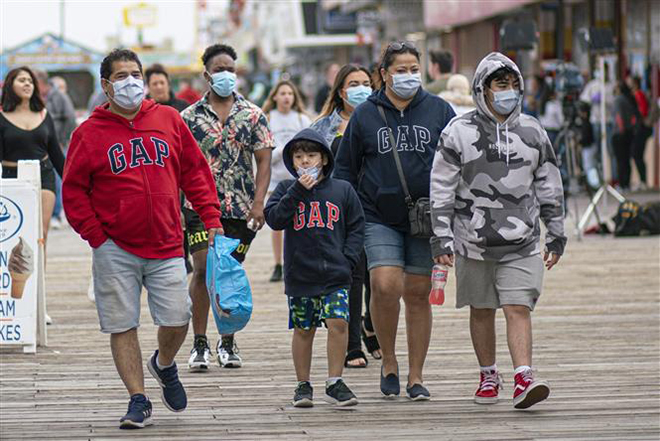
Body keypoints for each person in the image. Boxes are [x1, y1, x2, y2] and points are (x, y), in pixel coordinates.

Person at [62, 49, 223, 429]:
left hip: (167, 241)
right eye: (122, 76)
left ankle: (163, 364)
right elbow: (73, 191)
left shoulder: (167, 119)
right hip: (114, 246)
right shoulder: (88, 132)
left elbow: (195, 172)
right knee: (122, 324)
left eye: (136, 74)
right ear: (106, 85)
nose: (131, 82)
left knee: (179, 317)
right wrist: (96, 236)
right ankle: (138, 398)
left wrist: (210, 213)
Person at [430, 52, 566, 410]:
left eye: (512, 85)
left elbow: (550, 183)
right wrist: (440, 235)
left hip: (522, 240)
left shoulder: (533, 131)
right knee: (482, 308)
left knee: (517, 306)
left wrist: (556, 232)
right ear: (483, 89)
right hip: (471, 240)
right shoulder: (458, 132)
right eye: (499, 84)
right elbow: (441, 187)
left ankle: (524, 375)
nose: (508, 91)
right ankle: (488, 373)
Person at [334, 41, 455, 400]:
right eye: (400, 70)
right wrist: (345, 216)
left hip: (427, 217)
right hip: (376, 215)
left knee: (417, 294)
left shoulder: (439, 110)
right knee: (385, 284)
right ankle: (389, 360)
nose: (408, 76)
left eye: (413, 69)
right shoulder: (365, 115)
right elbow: (345, 169)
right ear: (383, 75)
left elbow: (456, 163)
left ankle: (416, 376)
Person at [181, 43, 273, 372]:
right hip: (198, 206)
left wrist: (259, 203)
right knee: (204, 269)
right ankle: (200, 343)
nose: (225, 75)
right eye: (219, 69)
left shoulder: (253, 114)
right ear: (206, 74)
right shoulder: (188, 118)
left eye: (230, 69)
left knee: (229, 272)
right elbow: (178, 164)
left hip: (240, 207)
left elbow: (264, 161)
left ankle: (229, 341)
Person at [264, 128, 365, 408]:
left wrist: (349, 259)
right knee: (304, 328)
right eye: (299, 157)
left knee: (338, 323)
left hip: (336, 273)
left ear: (324, 158)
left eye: (311, 155)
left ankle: (335, 381)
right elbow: (274, 219)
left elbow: (357, 226)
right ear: (292, 161)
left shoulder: (342, 189)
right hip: (301, 274)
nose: (305, 161)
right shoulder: (286, 189)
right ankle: (303, 384)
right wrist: (297, 190)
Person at [311, 63, 377, 368]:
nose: (361, 88)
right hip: (338, 213)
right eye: (354, 83)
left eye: (366, 82)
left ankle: (370, 324)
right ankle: (352, 345)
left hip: (378, 208)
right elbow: (307, 167)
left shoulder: (381, 119)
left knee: (380, 279)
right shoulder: (323, 127)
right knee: (352, 276)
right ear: (341, 90)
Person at [1, 67, 65, 258]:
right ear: (10, 85)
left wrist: (75, 183)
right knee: (16, 236)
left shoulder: (44, 115)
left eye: (30, 81)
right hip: (11, 179)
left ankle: (39, 286)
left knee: (40, 235)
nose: (27, 84)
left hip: (43, 176)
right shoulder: (2, 117)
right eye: (22, 80)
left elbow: (56, 154)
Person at [262, 80, 312, 282]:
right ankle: (278, 263)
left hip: (300, 179)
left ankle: (300, 259)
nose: (286, 97)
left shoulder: (301, 119)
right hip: (276, 181)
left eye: (290, 93)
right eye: (282, 93)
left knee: (301, 220)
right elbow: (266, 154)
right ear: (274, 96)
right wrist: (285, 151)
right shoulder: (268, 119)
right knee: (278, 222)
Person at [34, 70, 76, 229]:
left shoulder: (58, 96)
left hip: (58, 144)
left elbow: (70, 117)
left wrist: (63, 139)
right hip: (41, 145)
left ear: (42, 83)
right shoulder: (37, 98)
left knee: (58, 179)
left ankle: (56, 214)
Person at [580, 65, 616, 183]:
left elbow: (614, 102)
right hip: (595, 121)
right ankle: (599, 178)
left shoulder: (611, 86)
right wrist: (592, 99)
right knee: (598, 151)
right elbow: (584, 99)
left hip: (608, 121)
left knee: (610, 150)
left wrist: (604, 99)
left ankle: (614, 179)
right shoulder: (593, 85)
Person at [611, 80, 640, 191]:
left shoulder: (618, 100)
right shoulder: (630, 99)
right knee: (626, 159)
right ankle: (626, 183)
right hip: (629, 132)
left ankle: (622, 183)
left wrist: (621, 128)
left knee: (620, 159)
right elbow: (634, 117)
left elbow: (619, 116)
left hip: (620, 133)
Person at [629, 76, 651, 190]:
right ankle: (642, 180)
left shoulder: (639, 95)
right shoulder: (635, 95)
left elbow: (642, 111)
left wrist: (635, 120)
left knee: (637, 154)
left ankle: (643, 180)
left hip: (640, 129)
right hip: (637, 128)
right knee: (636, 154)